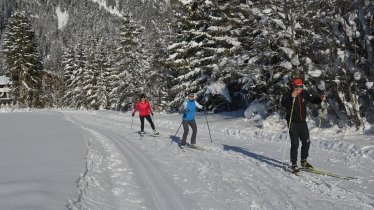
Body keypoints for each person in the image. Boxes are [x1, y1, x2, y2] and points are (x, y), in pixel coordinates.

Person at [281, 78, 326, 173]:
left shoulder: (304, 93)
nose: (299, 88)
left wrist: (320, 99)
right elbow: (283, 104)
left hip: (302, 122)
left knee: (306, 142)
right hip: (292, 122)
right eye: (297, 87)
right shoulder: (288, 94)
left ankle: (303, 161)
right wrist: (291, 97)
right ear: (293, 86)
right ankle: (294, 164)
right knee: (295, 144)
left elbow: (313, 100)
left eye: (300, 86)